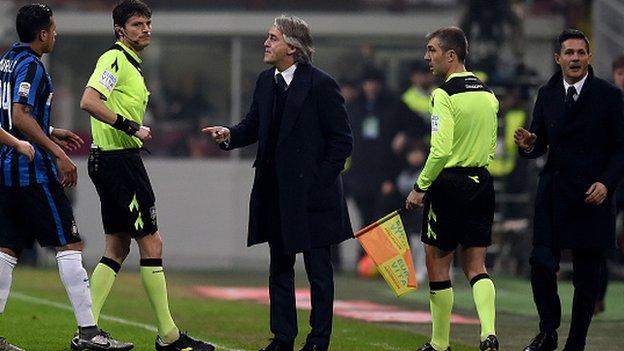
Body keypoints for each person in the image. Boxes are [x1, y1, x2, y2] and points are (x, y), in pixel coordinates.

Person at [202, 15, 353, 351]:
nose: (266, 43)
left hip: (314, 196)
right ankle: (283, 338)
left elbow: (342, 142)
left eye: (272, 38)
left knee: (319, 271)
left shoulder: (321, 84)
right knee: (280, 269)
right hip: (276, 193)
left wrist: (319, 184)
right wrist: (229, 135)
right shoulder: (264, 82)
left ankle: (318, 339)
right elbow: (253, 125)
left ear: (292, 47)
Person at [78, 1, 213, 350]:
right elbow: (90, 100)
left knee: (117, 246)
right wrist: (131, 126)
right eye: (138, 24)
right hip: (120, 162)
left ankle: (86, 330)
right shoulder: (115, 59)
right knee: (152, 243)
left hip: (110, 161)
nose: (146, 29)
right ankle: (169, 337)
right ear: (120, 30)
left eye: (148, 23)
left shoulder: (130, 64)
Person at [0, 4, 132, 351]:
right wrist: (57, 154)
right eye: (53, 28)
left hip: (7, 169)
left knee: (7, 249)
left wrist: (53, 131)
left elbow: (12, 116)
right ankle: (89, 333)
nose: (56, 33)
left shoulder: (8, 61)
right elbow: (20, 116)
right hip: (33, 171)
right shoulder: (32, 66)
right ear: (42, 33)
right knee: (69, 244)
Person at [514, 29, 624, 351]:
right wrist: (528, 146)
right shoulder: (546, 94)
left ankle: (576, 343)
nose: (575, 58)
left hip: (593, 195)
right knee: (540, 262)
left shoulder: (609, 95)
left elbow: (621, 148)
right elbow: (537, 143)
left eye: (580, 52)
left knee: (587, 275)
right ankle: (548, 331)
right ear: (557, 58)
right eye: (569, 53)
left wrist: (606, 183)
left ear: (589, 57)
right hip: (554, 193)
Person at [405, 27, 499, 351]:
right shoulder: (489, 94)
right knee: (476, 266)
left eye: (432, 50)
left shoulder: (442, 95)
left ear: (451, 55)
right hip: (482, 182)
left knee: (437, 264)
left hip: (449, 185)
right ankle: (488, 333)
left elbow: (440, 149)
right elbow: (489, 147)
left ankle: (439, 343)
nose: (427, 57)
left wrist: (420, 187)